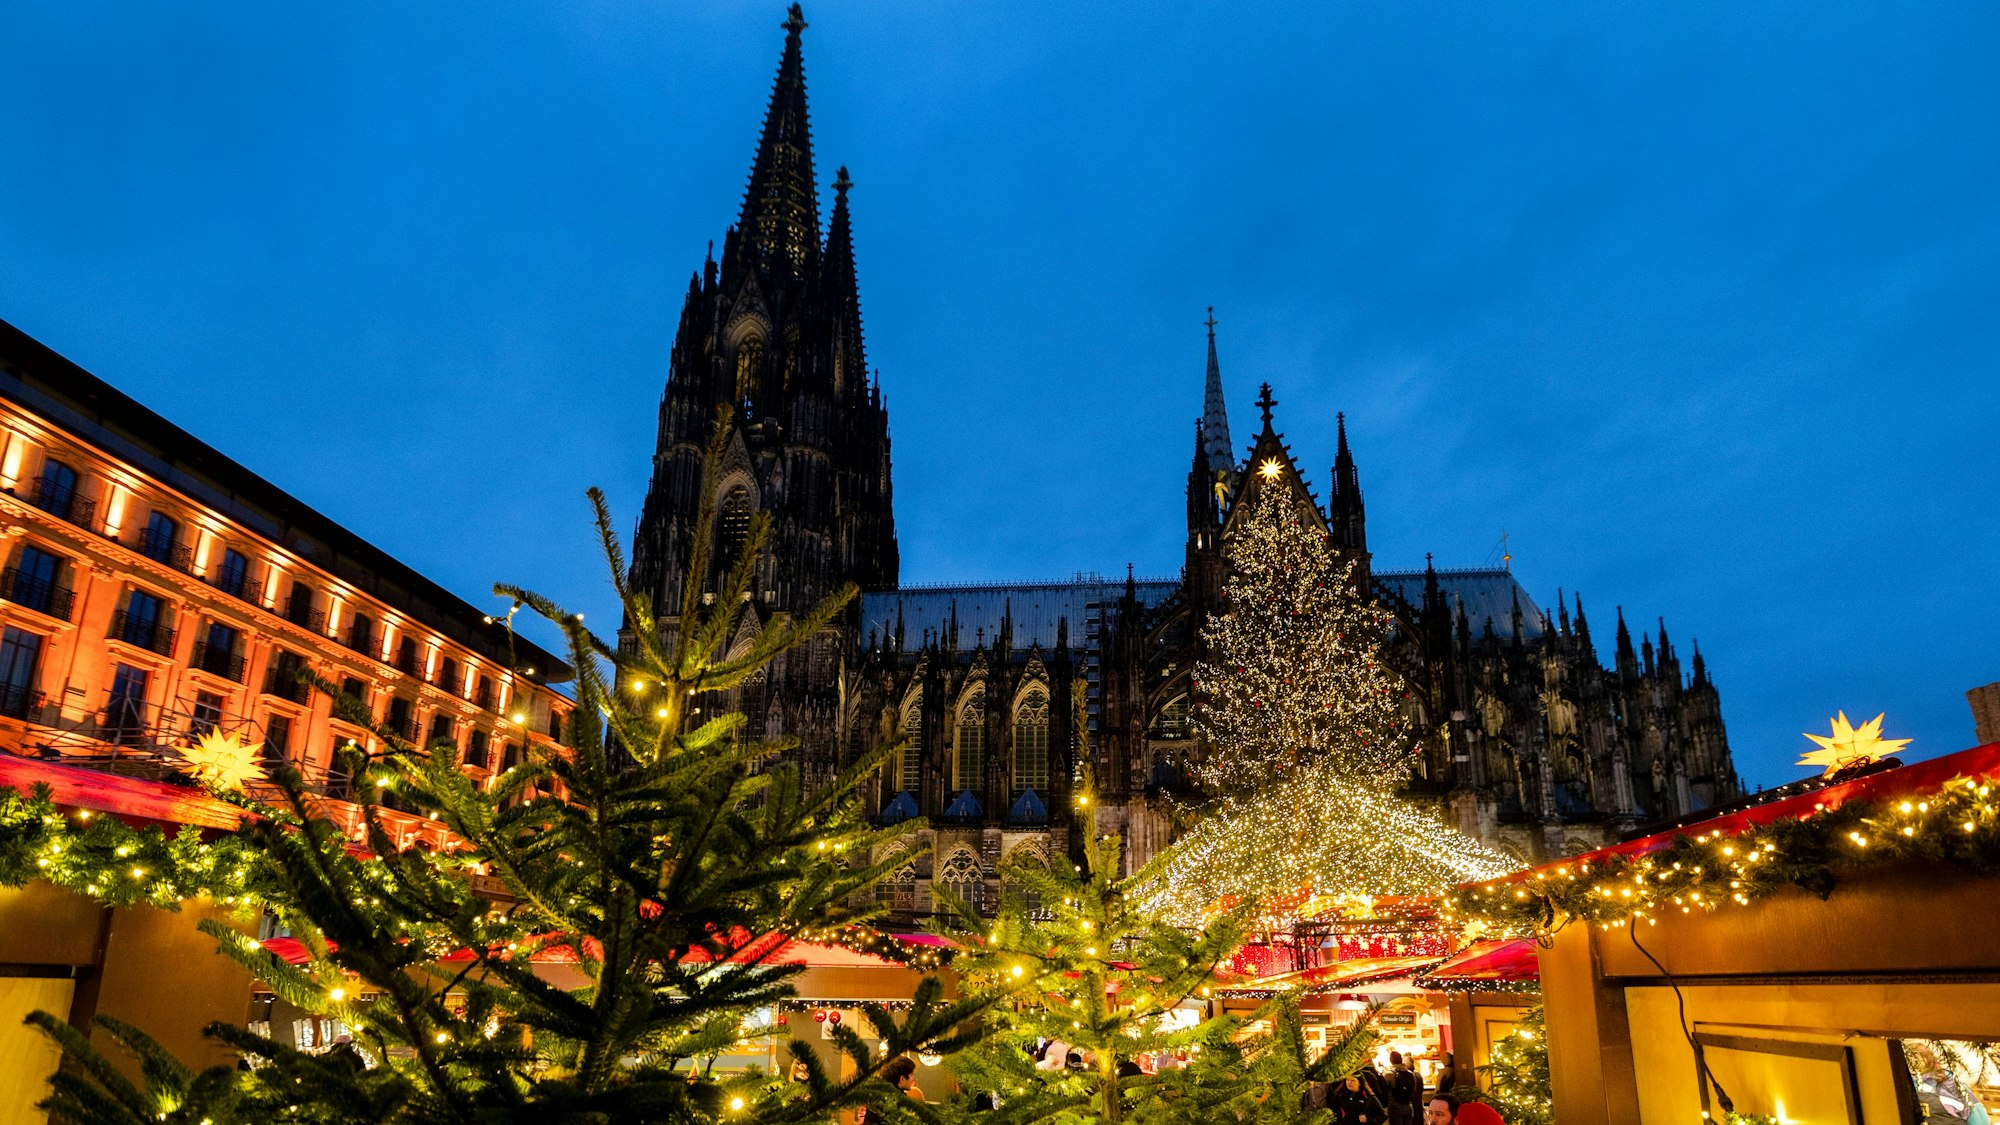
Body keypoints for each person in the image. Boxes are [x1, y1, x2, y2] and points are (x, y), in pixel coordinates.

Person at [1388, 1049, 1423, 1124]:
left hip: (1395, 1106)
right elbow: (1414, 1089)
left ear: (1391, 1061)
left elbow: (1385, 1090)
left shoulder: (1389, 1074)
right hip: (1408, 1106)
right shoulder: (1411, 1074)